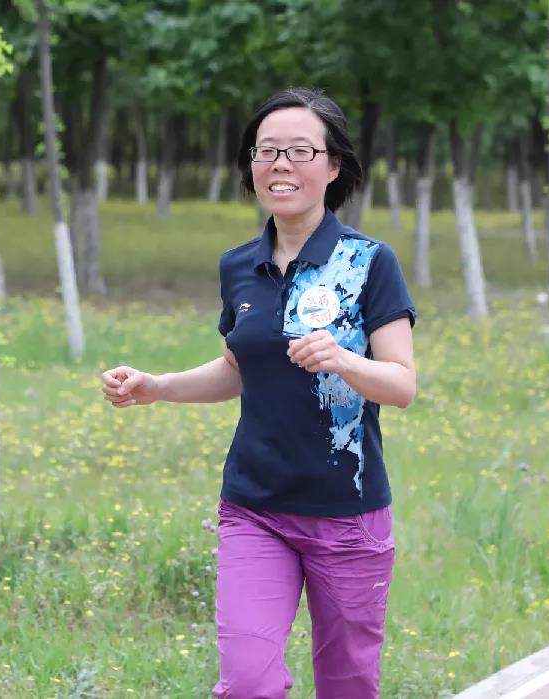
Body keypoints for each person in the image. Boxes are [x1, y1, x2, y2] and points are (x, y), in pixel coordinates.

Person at [100, 87, 417, 699]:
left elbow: (402, 384)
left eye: (300, 150)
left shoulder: (369, 263)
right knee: (247, 681)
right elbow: (238, 369)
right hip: (255, 507)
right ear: (251, 166)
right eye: (266, 150)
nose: (280, 164)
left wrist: (342, 359)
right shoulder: (239, 265)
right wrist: (156, 387)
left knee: (348, 685)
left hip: (348, 515)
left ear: (333, 166)